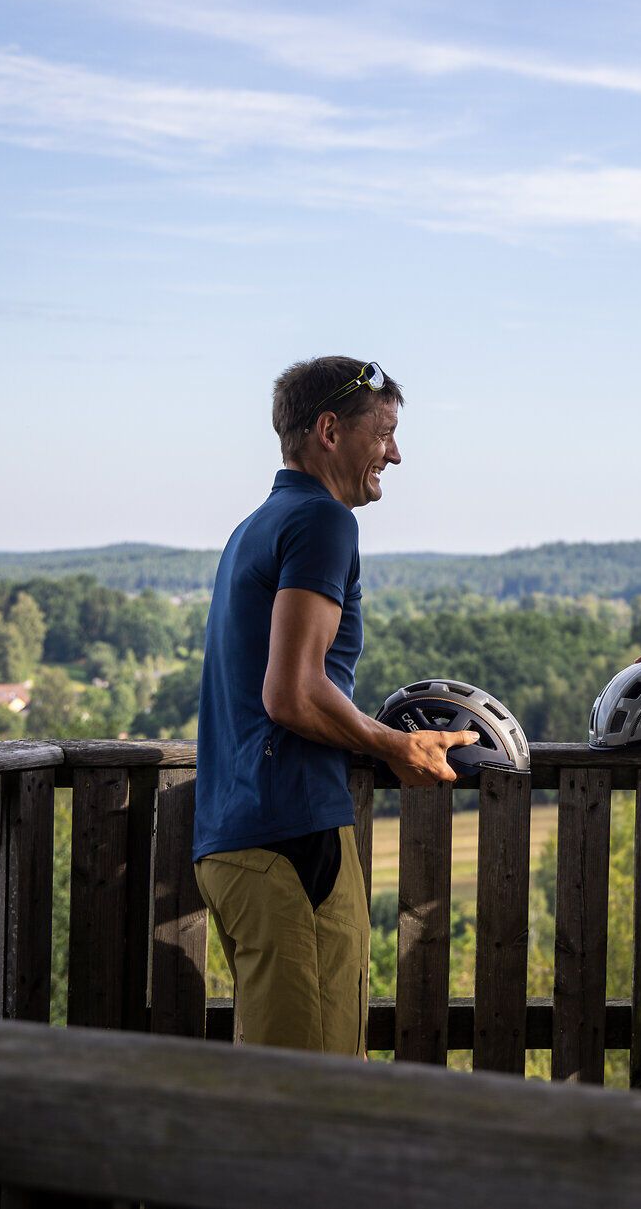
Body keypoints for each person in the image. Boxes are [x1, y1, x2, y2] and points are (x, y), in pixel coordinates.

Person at [192, 358, 477, 1054]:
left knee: (282, 1073)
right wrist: (396, 746)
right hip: (290, 838)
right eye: (383, 432)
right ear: (328, 430)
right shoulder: (322, 520)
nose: (396, 453)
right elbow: (291, 691)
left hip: (236, 838)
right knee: (312, 1091)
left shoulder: (258, 523)